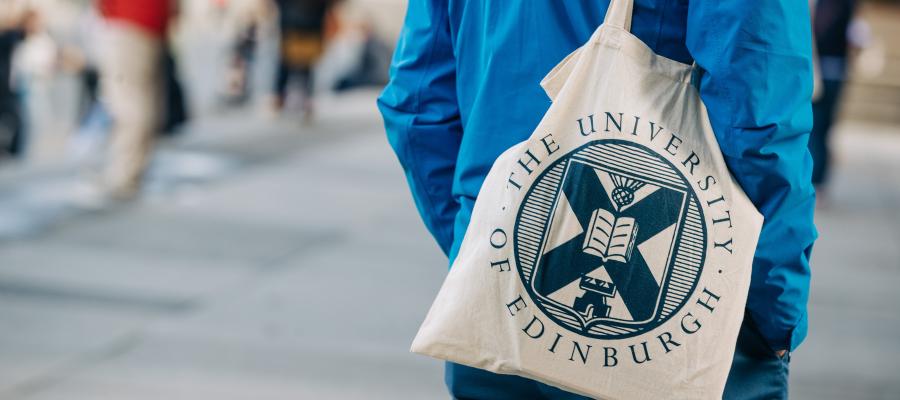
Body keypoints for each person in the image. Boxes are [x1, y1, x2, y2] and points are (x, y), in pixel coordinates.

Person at [377, 1, 817, 399]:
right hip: (673, 323)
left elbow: (415, 107)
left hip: (499, 304)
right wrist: (777, 312)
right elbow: (759, 124)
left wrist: (481, 243)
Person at [96, 0, 175, 199]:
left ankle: (124, 174)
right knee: (145, 100)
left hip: (128, 24)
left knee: (127, 102)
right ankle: (135, 170)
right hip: (153, 25)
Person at [808, 0, 860, 197]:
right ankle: (817, 181)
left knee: (819, 128)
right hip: (825, 71)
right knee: (819, 128)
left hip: (826, 71)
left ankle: (817, 180)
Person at [271, 0, 330, 119]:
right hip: (300, 23)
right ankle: (286, 99)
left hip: (301, 23)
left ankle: (287, 99)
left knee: (298, 64)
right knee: (293, 63)